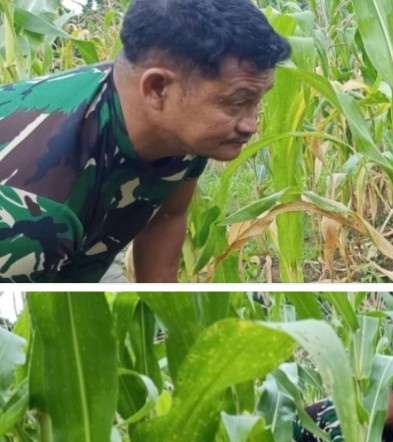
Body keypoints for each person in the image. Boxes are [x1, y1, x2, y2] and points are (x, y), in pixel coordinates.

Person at [0, 0, 291, 282]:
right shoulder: (30, 212)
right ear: (157, 88)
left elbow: (168, 214)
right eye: (236, 103)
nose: (251, 125)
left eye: (257, 101)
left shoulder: (183, 121)